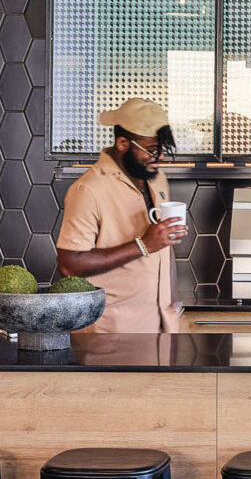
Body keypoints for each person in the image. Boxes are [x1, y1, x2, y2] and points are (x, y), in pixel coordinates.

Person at [55, 98, 189, 333]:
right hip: (111, 330)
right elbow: (70, 264)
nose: (160, 157)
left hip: (161, 325)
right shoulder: (88, 190)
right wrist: (143, 245)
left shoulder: (156, 179)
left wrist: (172, 305)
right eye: (152, 150)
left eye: (162, 149)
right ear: (123, 143)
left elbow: (163, 252)